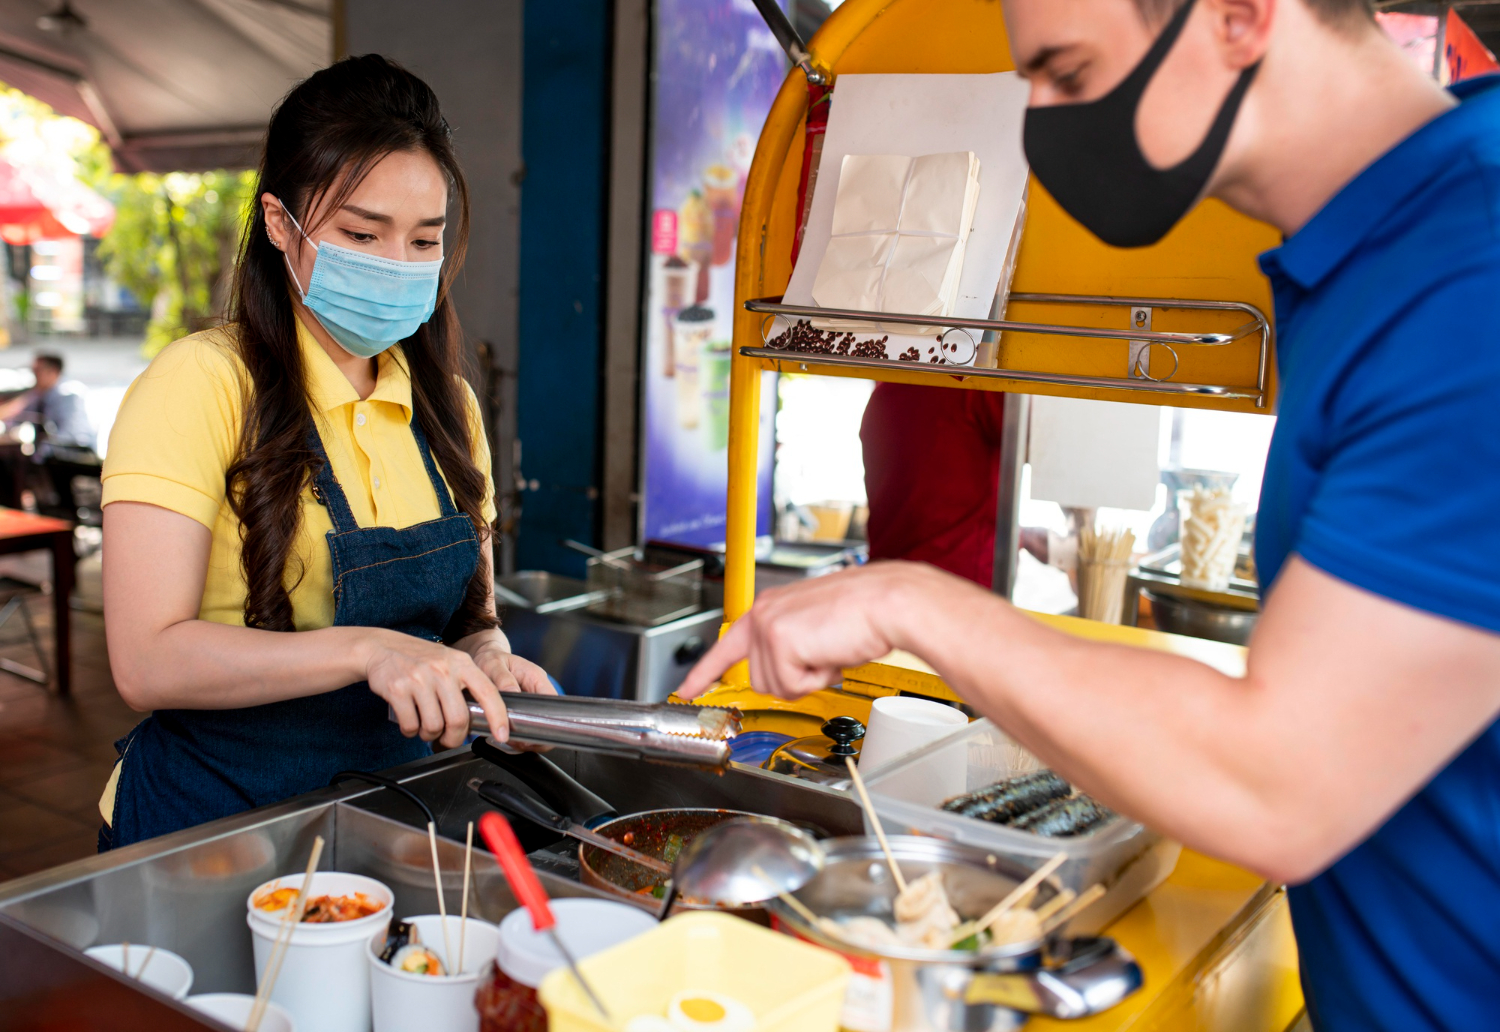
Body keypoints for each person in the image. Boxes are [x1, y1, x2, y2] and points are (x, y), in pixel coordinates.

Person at [682, 0, 1500, 1027]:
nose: (1037, 121)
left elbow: (1279, 780)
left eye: (1067, 72)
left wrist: (912, 601)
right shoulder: (1383, 249)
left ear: (1241, 17)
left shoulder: (1470, 269)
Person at [97, 55, 554, 851]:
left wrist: (489, 655)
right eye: (360, 234)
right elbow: (144, 660)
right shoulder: (203, 384)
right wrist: (367, 650)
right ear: (281, 223)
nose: (397, 265)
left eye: (424, 240)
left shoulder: (449, 407)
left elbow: (470, 617)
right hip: (211, 829)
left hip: (395, 821)